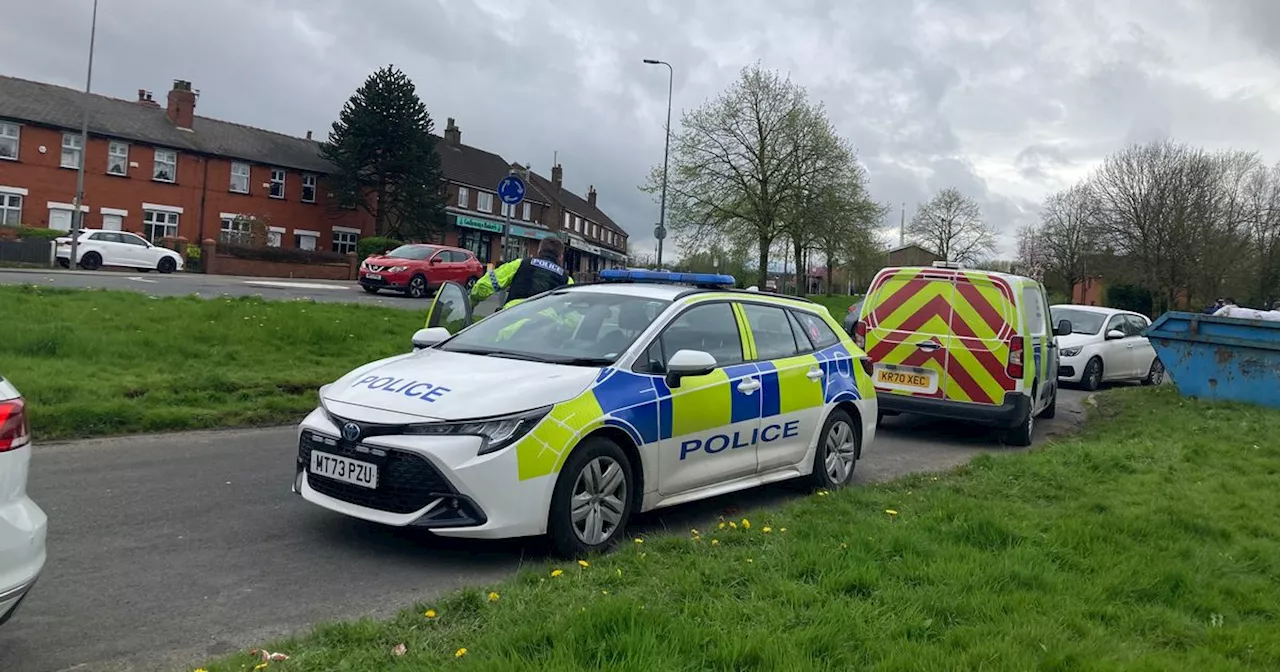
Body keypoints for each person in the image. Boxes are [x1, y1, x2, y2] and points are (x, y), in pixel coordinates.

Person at [470, 236, 574, 310]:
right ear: (561, 257)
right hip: (545, 328)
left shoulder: (520, 264)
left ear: (539, 251)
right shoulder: (566, 280)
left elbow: (485, 285)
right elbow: (571, 314)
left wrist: (471, 303)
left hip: (512, 318)